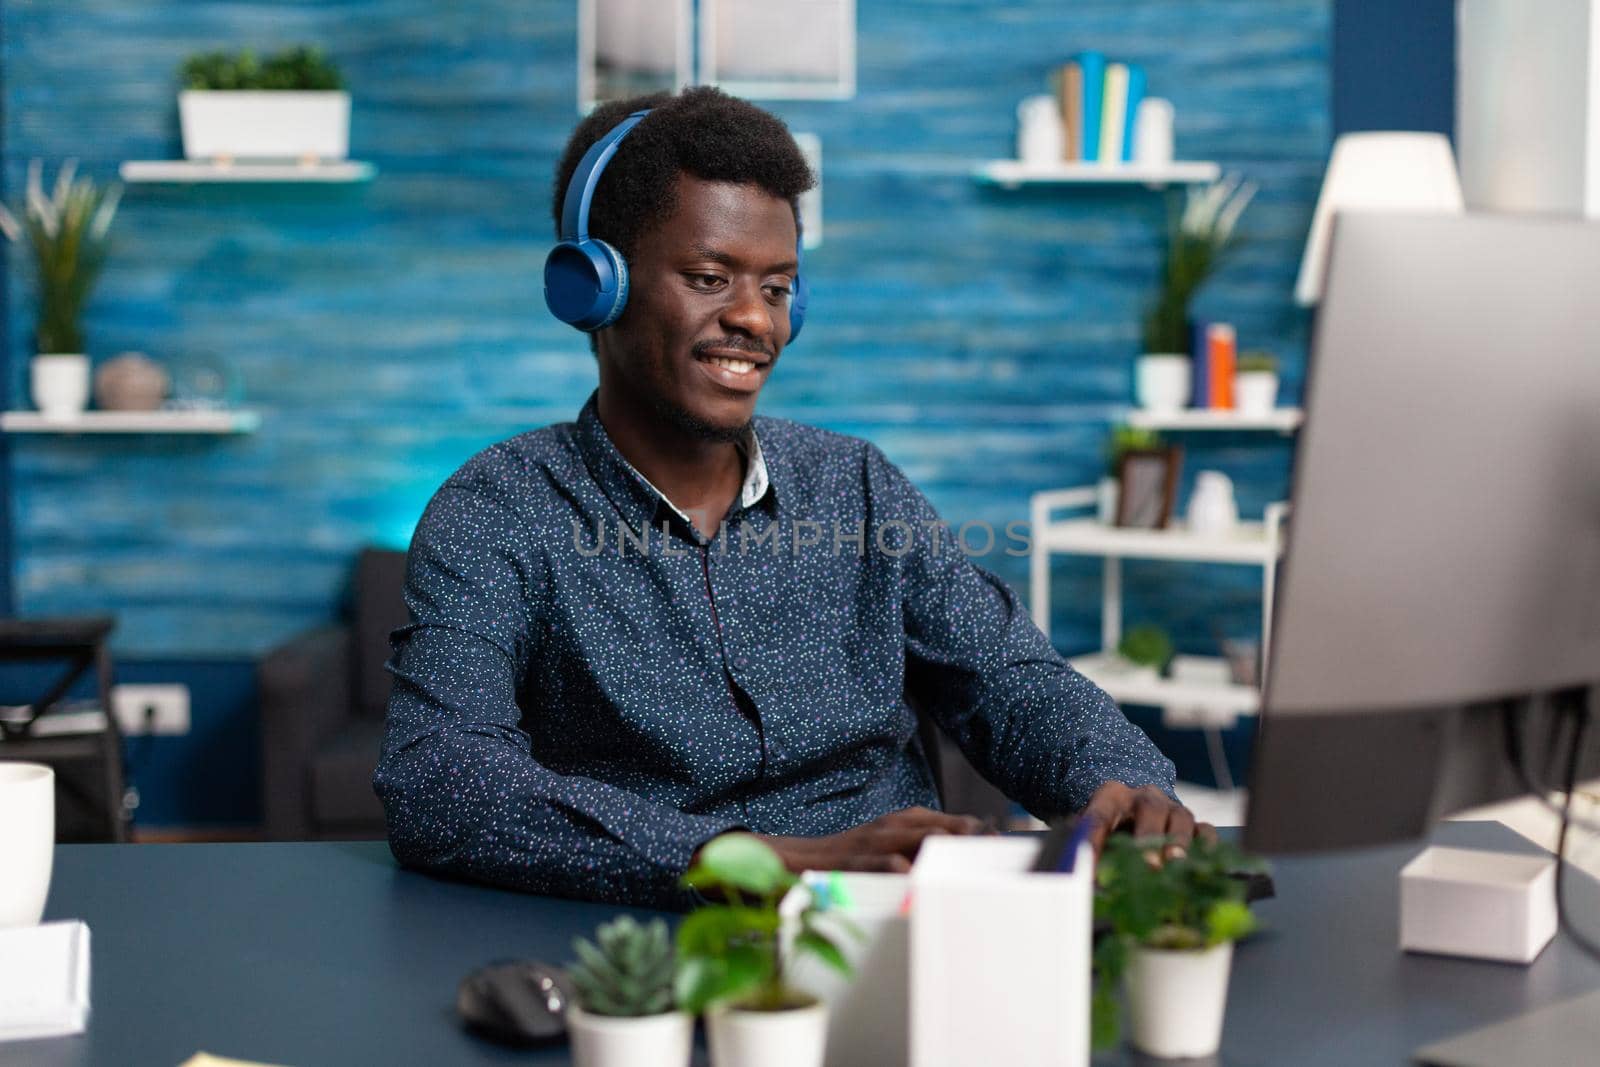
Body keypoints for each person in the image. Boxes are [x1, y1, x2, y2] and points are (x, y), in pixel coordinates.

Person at [374, 87, 1203, 908]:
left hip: (900, 927)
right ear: (595, 288)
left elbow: (1011, 680)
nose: (753, 319)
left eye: (777, 288)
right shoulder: (496, 510)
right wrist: (766, 860)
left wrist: (1124, 784)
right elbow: (439, 777)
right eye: (709, 277)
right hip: (651, 941)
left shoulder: (860, 485)